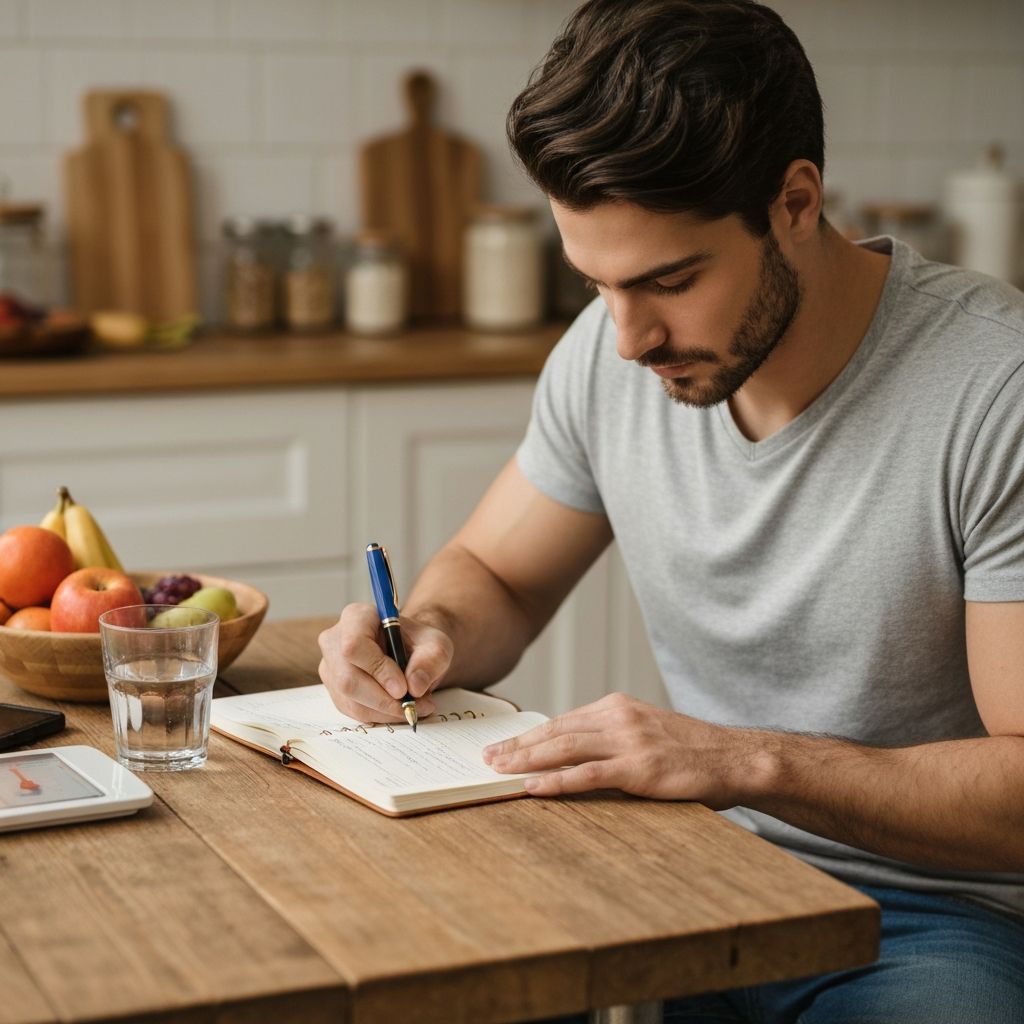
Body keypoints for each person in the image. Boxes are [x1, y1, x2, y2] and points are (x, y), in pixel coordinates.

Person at [318, 1, 1024, 1019]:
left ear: (795, 201)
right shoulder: (610, 361)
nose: (627, 340)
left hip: (932, 916)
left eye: (670, 280)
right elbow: (499, 574)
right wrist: (424, 631)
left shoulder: (993, 390)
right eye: (596, 283)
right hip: (681, 870)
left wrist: (742, 758)